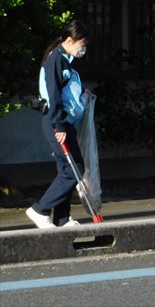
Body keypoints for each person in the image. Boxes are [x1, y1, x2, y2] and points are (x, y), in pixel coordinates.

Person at [26, 20, 91, 228]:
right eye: (82, 44)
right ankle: (39, 209)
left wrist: (83, 94)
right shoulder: (55, 61)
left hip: (65, 122)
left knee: (68, 168)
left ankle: (62, 218)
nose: (84, 49)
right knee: (74, 169)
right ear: (70, 41)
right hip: (57, 122)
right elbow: (53, 97)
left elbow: (66, 91)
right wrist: (59, 126)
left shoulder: (65, 60)